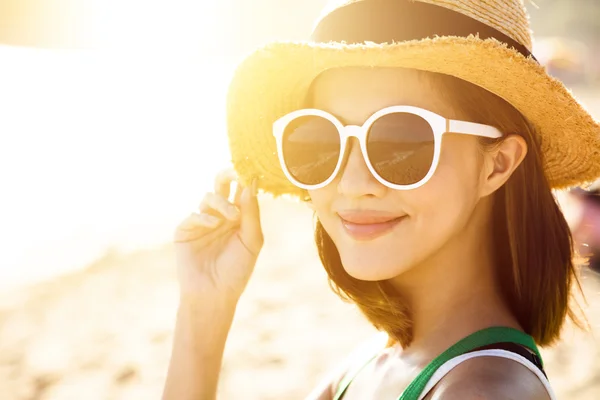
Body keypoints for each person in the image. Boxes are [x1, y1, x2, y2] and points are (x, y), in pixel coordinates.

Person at [162, 1, 600, 399]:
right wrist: (204, 309)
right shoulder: (372, 364)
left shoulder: (485, 392)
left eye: (400, 140)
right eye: (321, 141)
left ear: (497, 164)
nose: (353, 183)